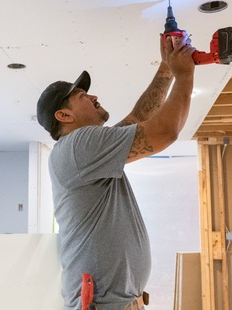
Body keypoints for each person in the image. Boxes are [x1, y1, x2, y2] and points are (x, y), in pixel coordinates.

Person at [36, 34, 196, 310]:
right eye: (82, 96)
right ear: (64, 115)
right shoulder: (78, 146)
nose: (94, 96)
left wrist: (167, 69)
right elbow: (165, 131)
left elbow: (139, 117)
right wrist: (184, 75)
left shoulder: (88, 150)